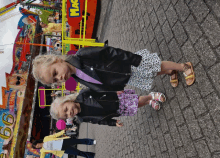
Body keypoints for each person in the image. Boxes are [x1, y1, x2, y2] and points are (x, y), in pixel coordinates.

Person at [32, 46, 195, 92]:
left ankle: (183, 66)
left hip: (126, 64)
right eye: (55, 80)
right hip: (124, 77)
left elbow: (110, 52)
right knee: (150, 73)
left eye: (55, 73)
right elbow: (97, 84)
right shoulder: (77, 79)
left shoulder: (82, 55)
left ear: (57, 59)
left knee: (154, 65)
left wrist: (133, 58)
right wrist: (114, 89)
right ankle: (170, 72)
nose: (59, 78)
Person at [50, 89, 167, 127]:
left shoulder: (83, 95)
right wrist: (112, 122)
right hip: (115, 111)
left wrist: (114, 91)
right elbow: (99, 120)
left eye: (66, 109)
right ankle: (148, 102)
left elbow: (100, 90)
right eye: (66, 115)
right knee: (136, 106)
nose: (69, 112)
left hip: (115, 99)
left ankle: (151, 95)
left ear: (68, 100)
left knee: (136, 101)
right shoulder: (82, 118)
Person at [25, 130, 96, 158]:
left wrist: (63, 131)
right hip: (62, 149)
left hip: (63, 141)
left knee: (78, 141)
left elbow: (54, 135)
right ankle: (92, 156)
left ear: (38, 142)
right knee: (78, 153)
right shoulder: (42, 150)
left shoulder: (46, 138)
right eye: (36, 147)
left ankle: (91, 142)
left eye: (36, 144)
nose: (37, 146)